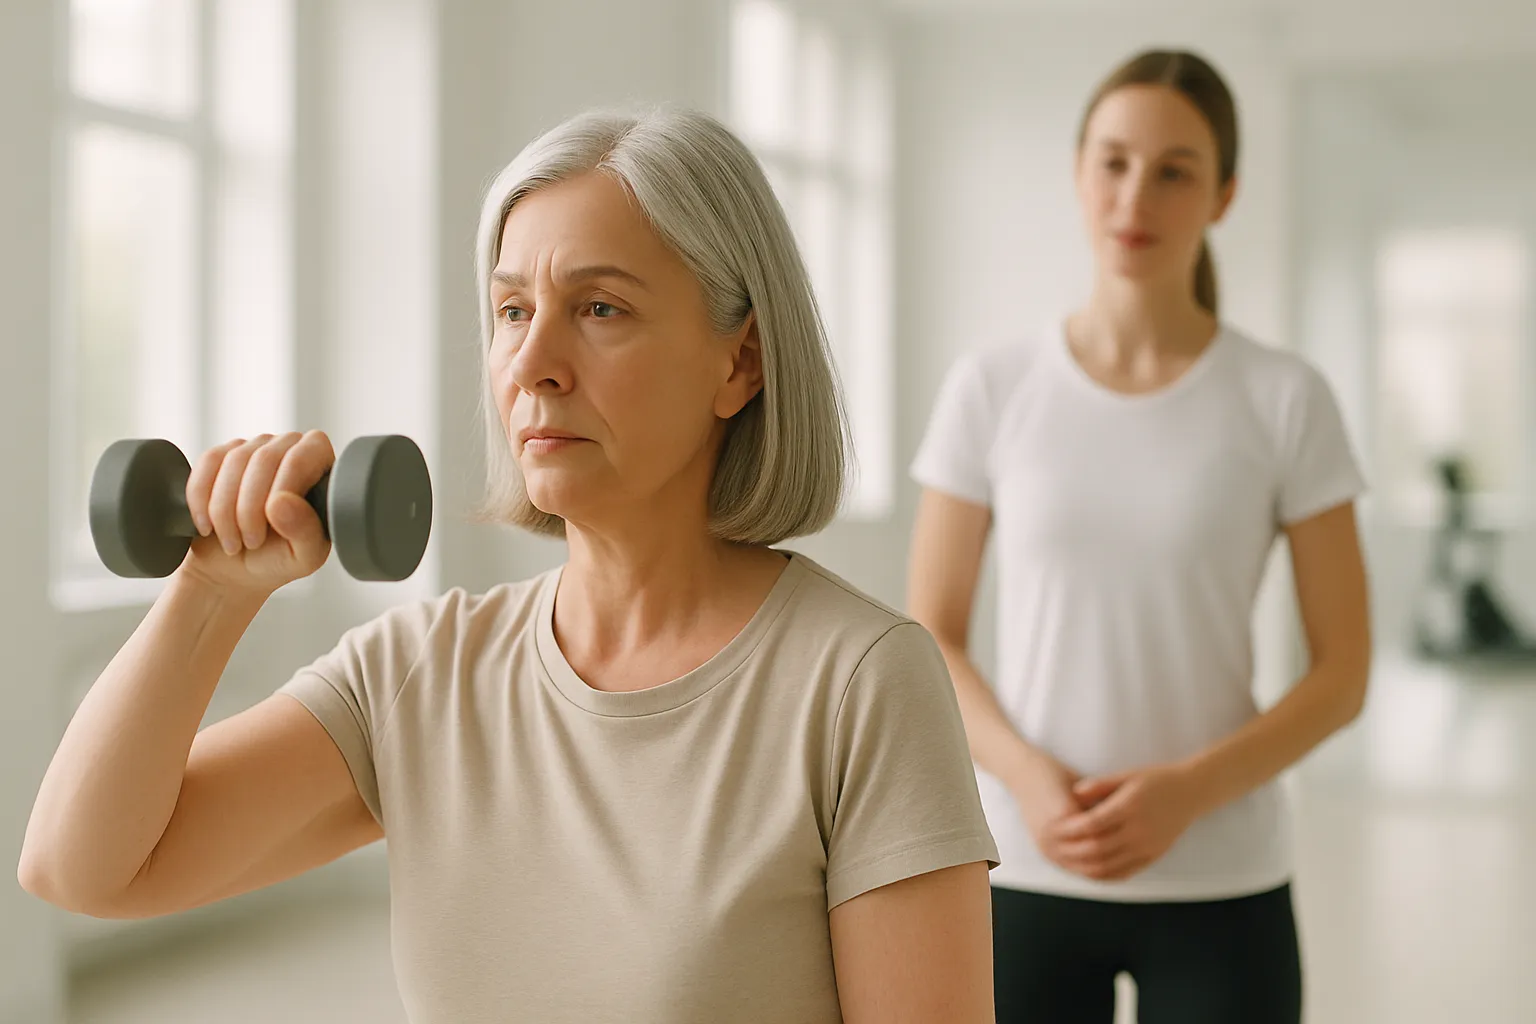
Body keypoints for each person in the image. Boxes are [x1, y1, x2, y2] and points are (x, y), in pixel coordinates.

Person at [19, 107, 999, 1023]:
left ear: (739, 363)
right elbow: (84, 867)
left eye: (601, 307)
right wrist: (212, 589)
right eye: (512, 309)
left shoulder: (860, 682)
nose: (535, 362)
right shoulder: (421, 673)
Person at [906, 49, 1372, 1024]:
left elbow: (1344, 670)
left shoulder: (1285, 398)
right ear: (1079, 174)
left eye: (1174, 170)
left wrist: (1187, 792)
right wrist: (1029, 779)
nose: (1136, 196)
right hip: (1022, 870)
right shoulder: (991, 387)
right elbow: (929, 635)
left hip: (1223, 884)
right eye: (1114, 162)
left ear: (1224, 194)